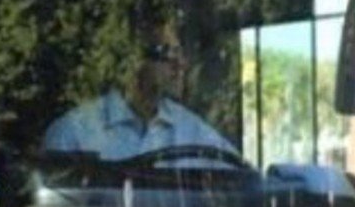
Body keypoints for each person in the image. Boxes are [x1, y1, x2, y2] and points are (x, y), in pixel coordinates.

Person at [42, 39, 236, 162]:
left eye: (182, 53)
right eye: (168, 53)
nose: (181, 65)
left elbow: (241, 176)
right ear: (135, 60)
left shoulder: (192, 130)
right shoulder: (73, 134)